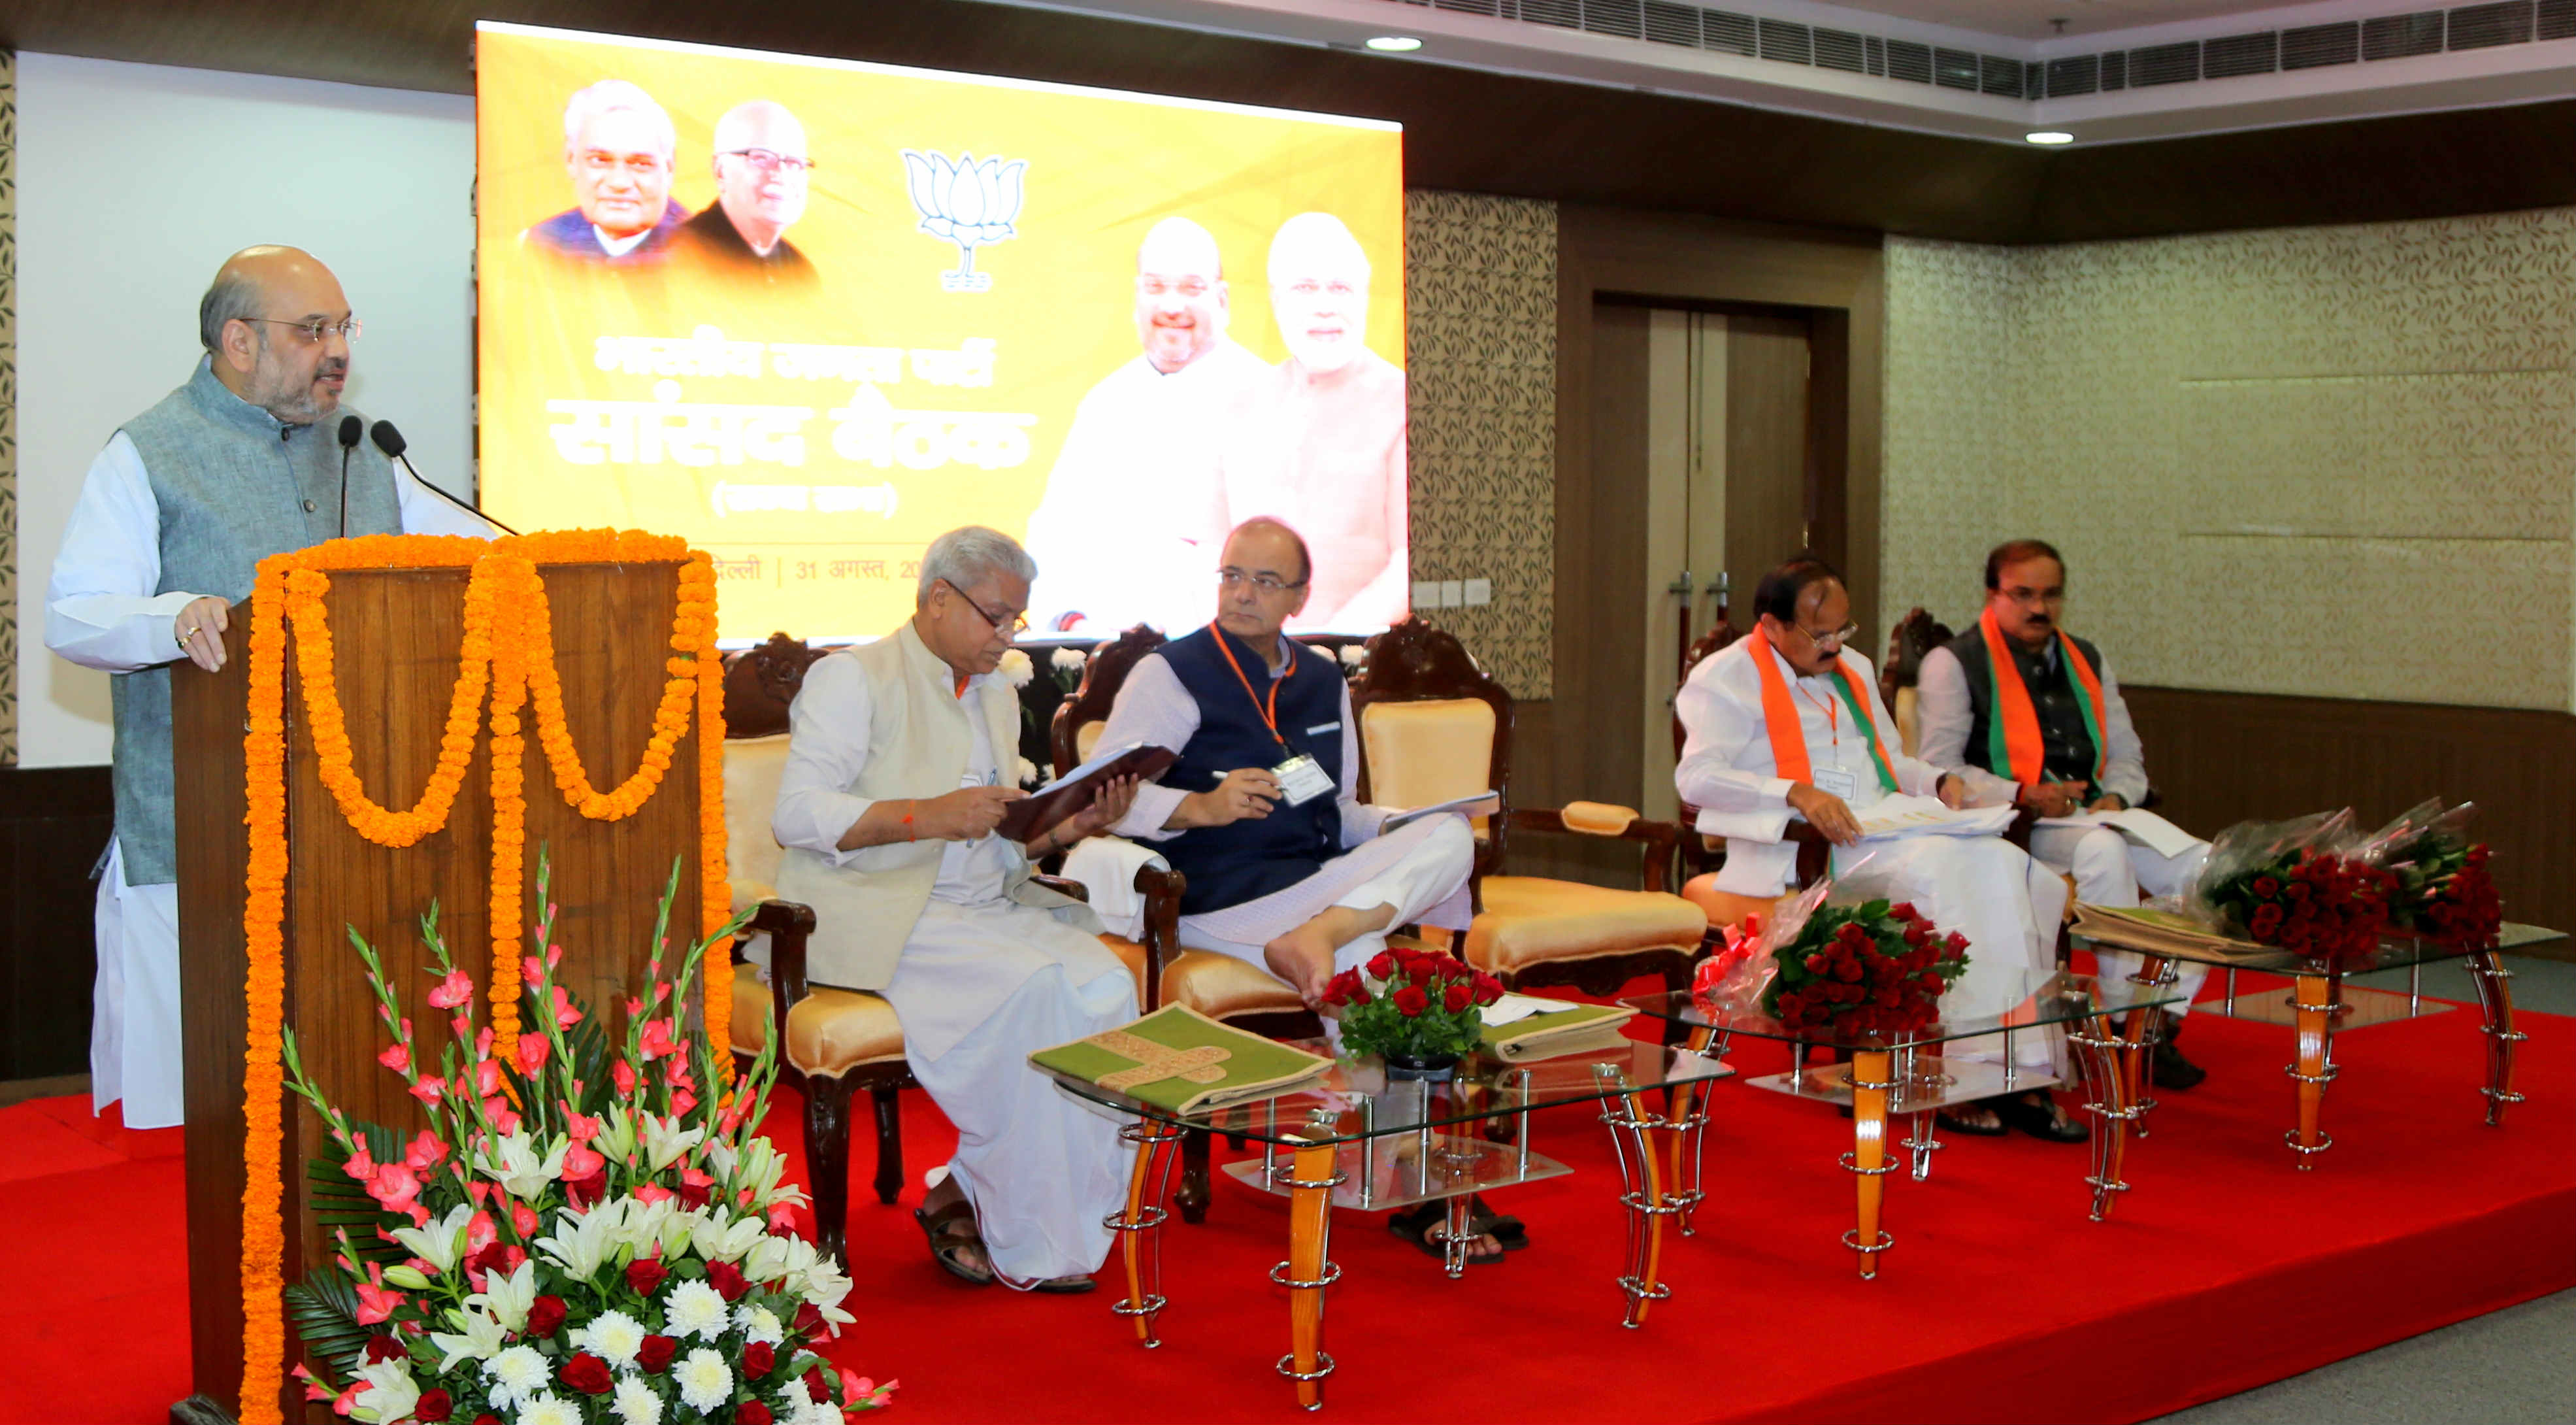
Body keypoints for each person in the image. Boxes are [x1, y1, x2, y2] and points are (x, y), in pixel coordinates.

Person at [44, 246, 495, 1130]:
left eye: (343, 328)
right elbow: (73, 616)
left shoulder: (363, 449)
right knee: (212, 1118)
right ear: (239, 339)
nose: (337, 351)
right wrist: (170, 619)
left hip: (358, 832)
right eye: (313, 330)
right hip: (205, 832)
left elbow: (479, 551)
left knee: (355, 1106)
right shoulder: (151, 452)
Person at [1093, 517, 1497, 1260]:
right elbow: (1107, 795)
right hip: (1220, 897)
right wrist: (1199, 806)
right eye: (1231, 575)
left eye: (1264, 581)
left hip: (1311, 888)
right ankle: (1409, 1167)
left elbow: (1334, 808)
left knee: (1446, 837)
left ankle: (1384, 1156)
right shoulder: (1173, 672)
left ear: (1300, 597)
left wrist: (1397, 825)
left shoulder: (1318, 678)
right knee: (1371, 958)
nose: (1242, 594)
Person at [769, 526, 1141, 1292]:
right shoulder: (855, 678)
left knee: (1111, 990)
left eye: (1017, 621)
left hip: (987, 905)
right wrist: (927, 814)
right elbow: (798, 814)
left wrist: (1070, 826)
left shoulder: (998, 691)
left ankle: (988, 1194)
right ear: (939, 597)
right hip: (890, 909)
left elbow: (997, 840)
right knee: (1038, 989)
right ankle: (1011, 1220)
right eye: (996, 617)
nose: (1008, 637)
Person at [1674, 556, 2081, 1141]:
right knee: (1944, 872)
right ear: (1772, 626)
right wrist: (1793, 791)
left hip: (1890, 823)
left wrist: (1936, 783)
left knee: (2004, 864)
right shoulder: (1725, 677)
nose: (1837, 645)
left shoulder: (1855, 668)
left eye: (1845, 629)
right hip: (1803, 844)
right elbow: (1696, 780)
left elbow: (1891, 761)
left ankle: (2009, 1066)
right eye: (1822, 634)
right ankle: (1940, 1067)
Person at [1917, 539, 2213, 1090]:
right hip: (2017, 826)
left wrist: (2120, 797)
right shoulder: (1953, 663)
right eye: (2023, 594)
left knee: (2210, 869)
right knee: (2104, 849)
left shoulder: (2088, 658)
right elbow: (1940, 770)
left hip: (2098, 814)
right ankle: (2127, 1026)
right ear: (1992, 594)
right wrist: (2022, 792)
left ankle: (2161, 1018)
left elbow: (2127, 754)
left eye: (2051, 595)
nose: (2039, 608)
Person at [1022, 216, 1268, 634]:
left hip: (1229, 663)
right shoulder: (1105, 403)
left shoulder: (1267, 398)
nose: (1172, 307)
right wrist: (1071, 620)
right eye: (1156, 288)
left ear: (1222, 300)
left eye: (1191, 288)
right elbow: (1053, 537)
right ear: (1137, 298)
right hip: (1104, 662)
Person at [1212, 213, 1408, 631]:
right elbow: (1205, 548)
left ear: (1365, 297)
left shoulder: (1404, 402)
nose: (1325, 307)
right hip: (1243, 663)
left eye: (1341, 288)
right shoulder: (1238, 405)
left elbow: (1410, 564)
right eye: (1305, 288)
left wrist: (1320, 653)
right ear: (1276, 299)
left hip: (1360, 665)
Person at [523, 80, 687, 264]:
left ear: (669, 169)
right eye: (600, 160)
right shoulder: (539, 243)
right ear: (571, 161)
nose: (619, 183)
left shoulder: (706, 251)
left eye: (640, 164)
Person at [672, 99, 818, 283]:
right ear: (720, 170)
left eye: (794, 163)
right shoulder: (678, 258)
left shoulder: (801, 273)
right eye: (761, 159)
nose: (781, 175)